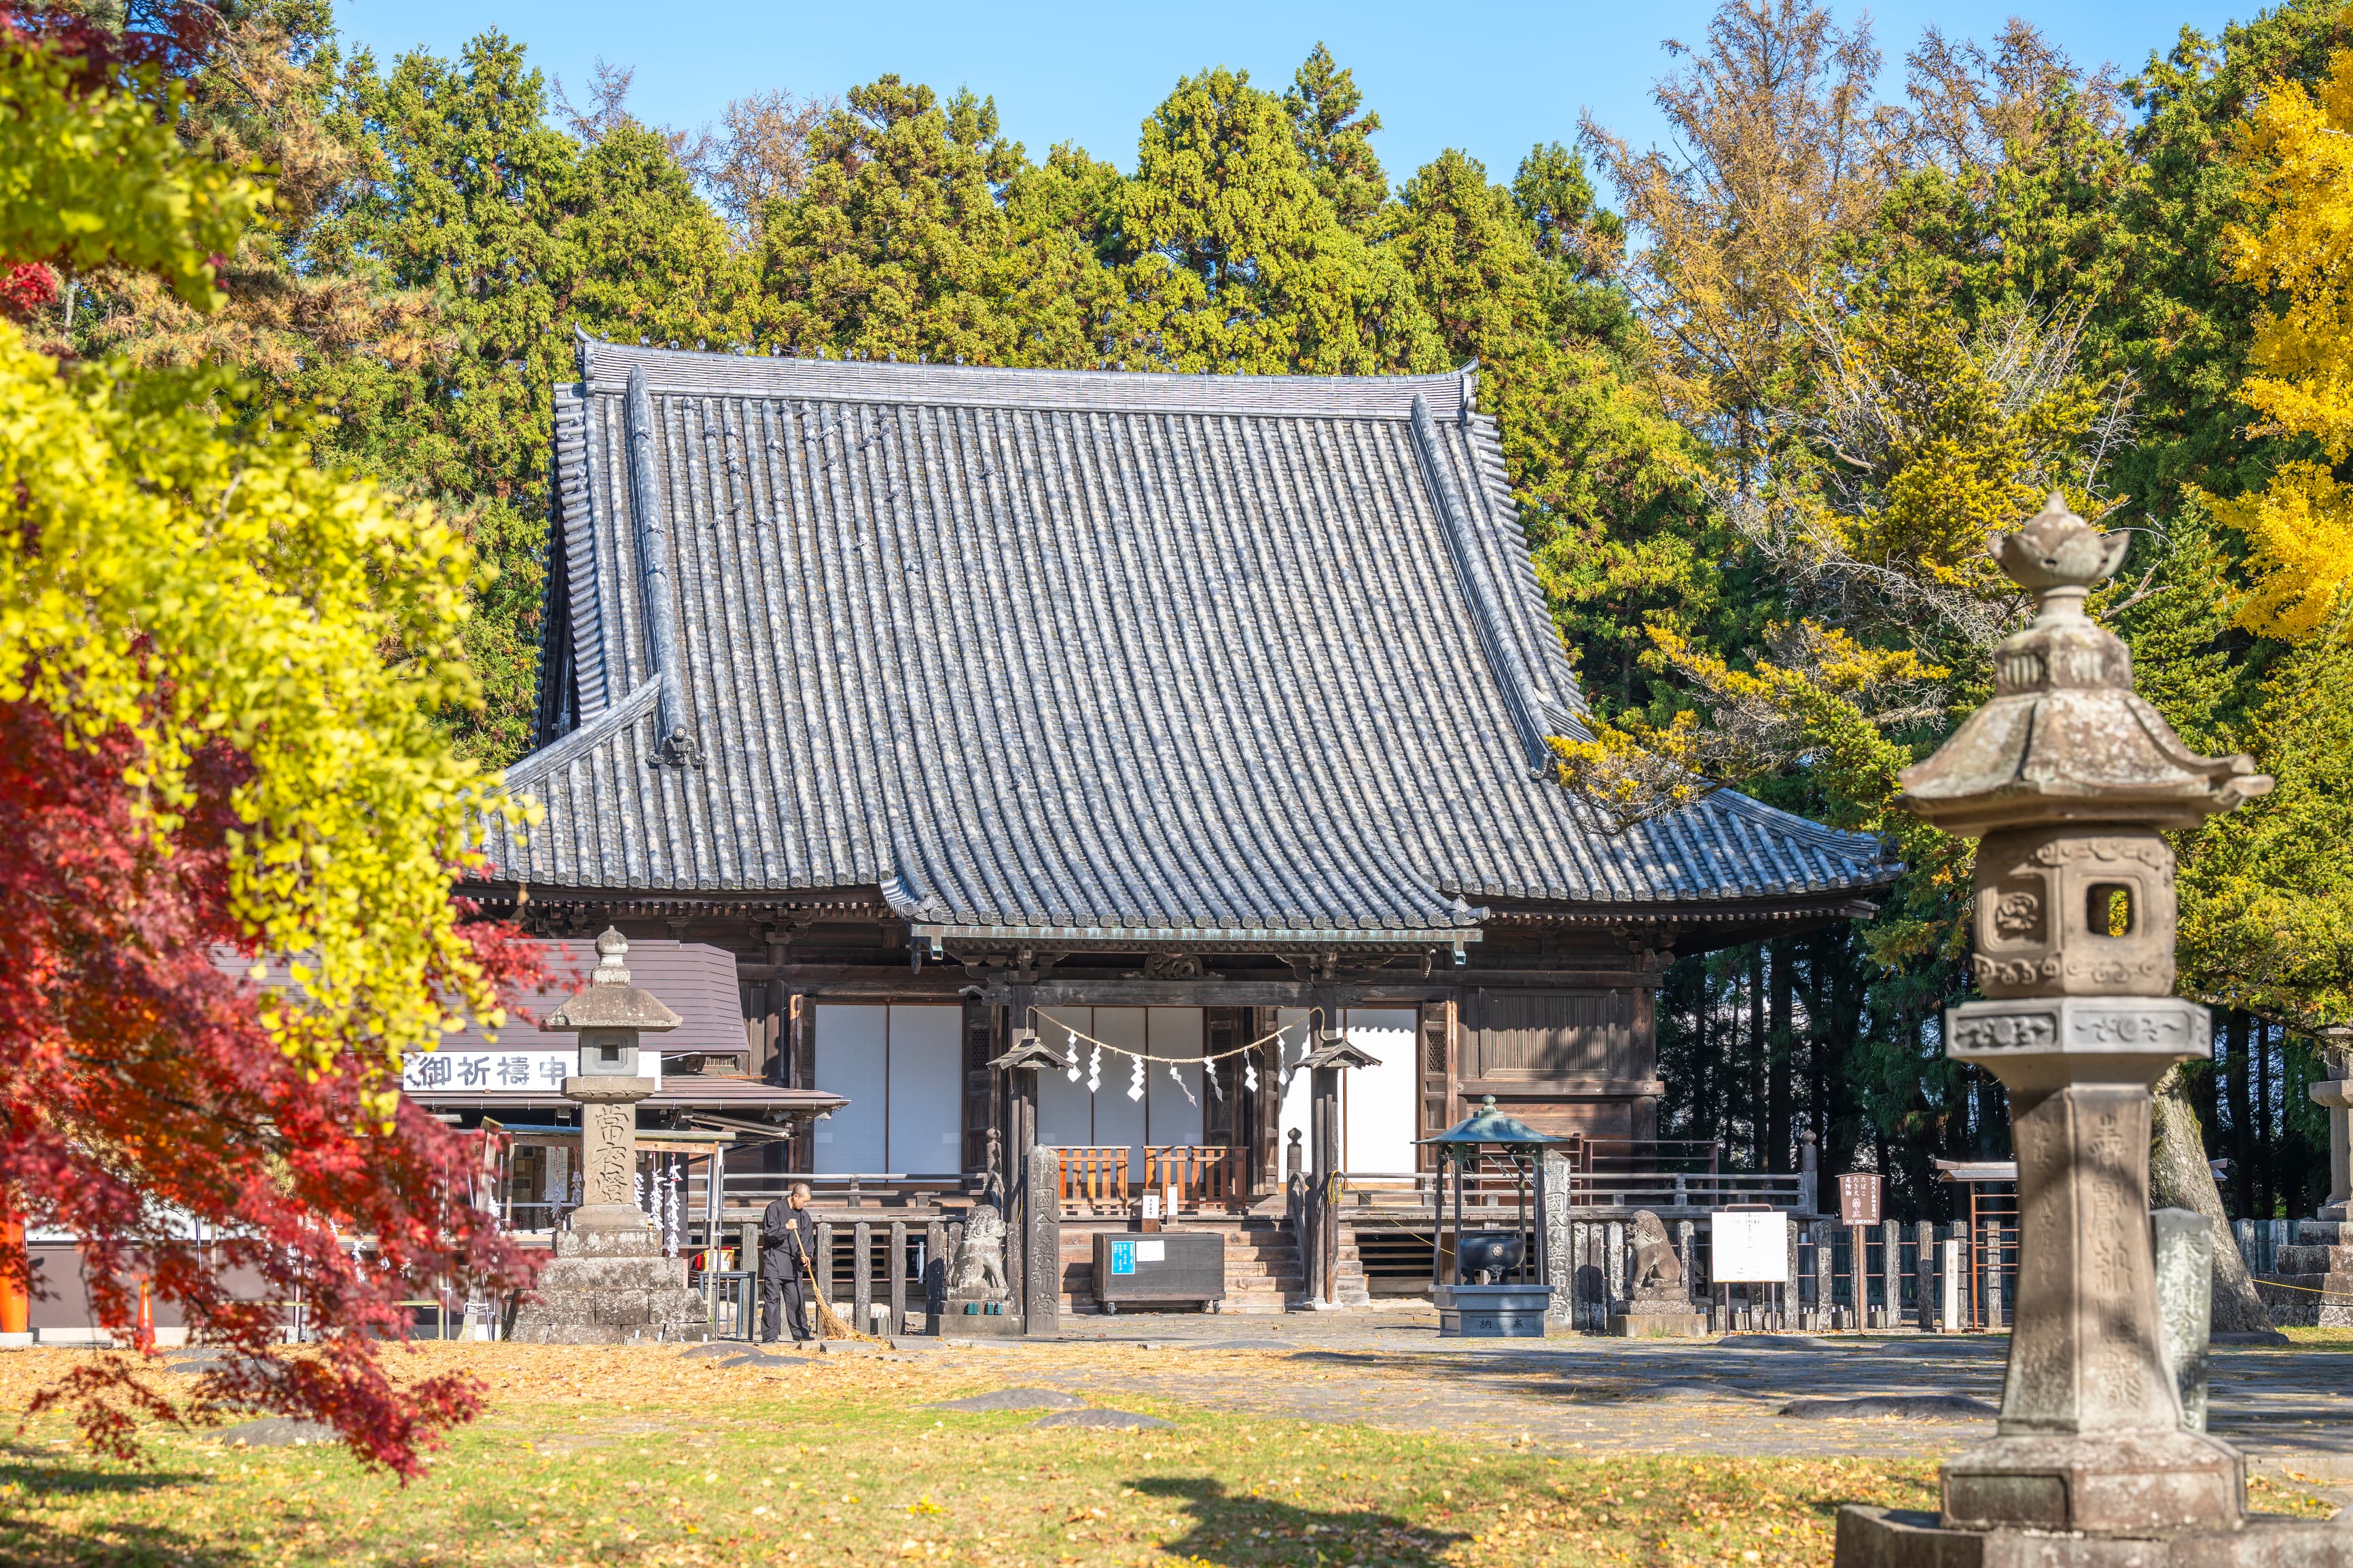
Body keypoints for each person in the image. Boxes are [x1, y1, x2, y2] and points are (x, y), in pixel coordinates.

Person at [759, 1180, 816, 1343]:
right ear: (795, 1196)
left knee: (796, 1300)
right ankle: (770, 1336)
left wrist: (805, 1256)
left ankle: (801, 1334)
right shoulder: (774, 1208)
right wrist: (786, 1227)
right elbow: (769, 1233)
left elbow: (806, 1241)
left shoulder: (804, 1216)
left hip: (793, 1264)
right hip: (774, 1260)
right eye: (803, 1201)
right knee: (772, 1300)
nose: (804, 1205)